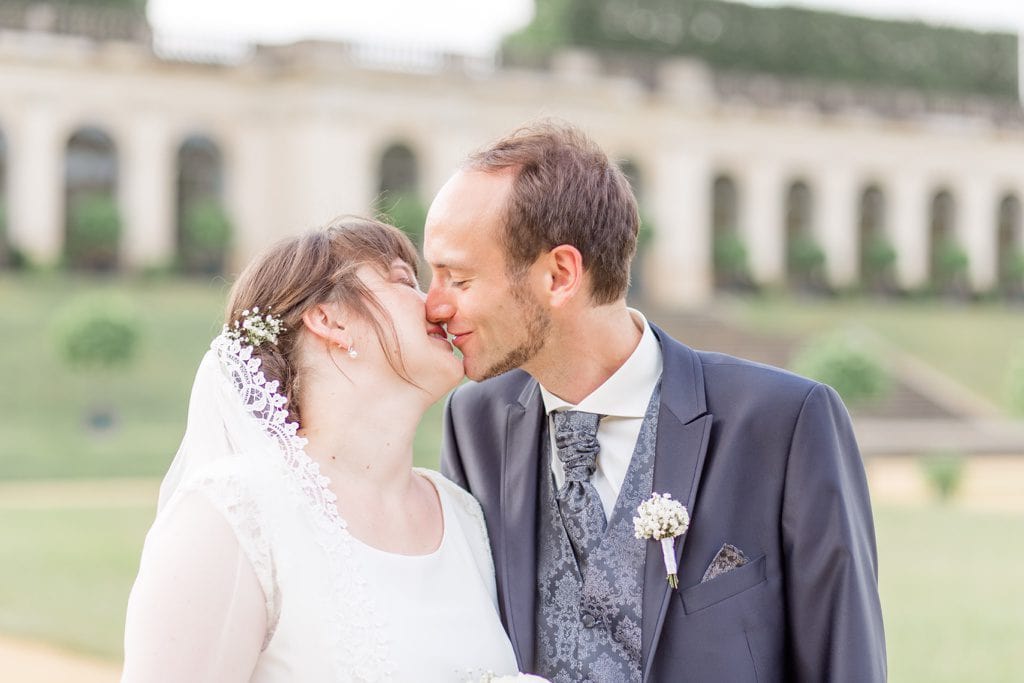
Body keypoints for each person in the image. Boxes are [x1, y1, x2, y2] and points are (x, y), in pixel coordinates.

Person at [424, 120, 887, 682]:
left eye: (458, 279)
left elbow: (845, 665)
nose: (435, 306)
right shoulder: (476, 424)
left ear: (560, 274)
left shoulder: (783, 423)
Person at [122, 218, 519, 682]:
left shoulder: (465, 518)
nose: (437, 303)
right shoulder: (232, 515)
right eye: (403, 281)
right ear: (331, 319)